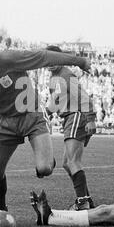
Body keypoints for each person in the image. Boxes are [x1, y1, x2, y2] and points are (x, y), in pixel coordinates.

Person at [0, 39, 91, 212]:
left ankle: (49, 161)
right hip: (6, 122)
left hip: (31, 115)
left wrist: (80, 61)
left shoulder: (8, 58)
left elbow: (44, 56)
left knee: (45, 168)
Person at [45, 45, 97, 210]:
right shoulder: (53, 78)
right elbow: (55, 101)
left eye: (55, 59)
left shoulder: (66, 74)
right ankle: (86, 199)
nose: (51, 63)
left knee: (71, 161)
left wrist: (90, 119)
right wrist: (45, 112)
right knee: (68, 163)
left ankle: (82, 201)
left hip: (76, 115)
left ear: (61, 59)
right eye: (48, 60)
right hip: (68, 117)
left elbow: (83, 96)